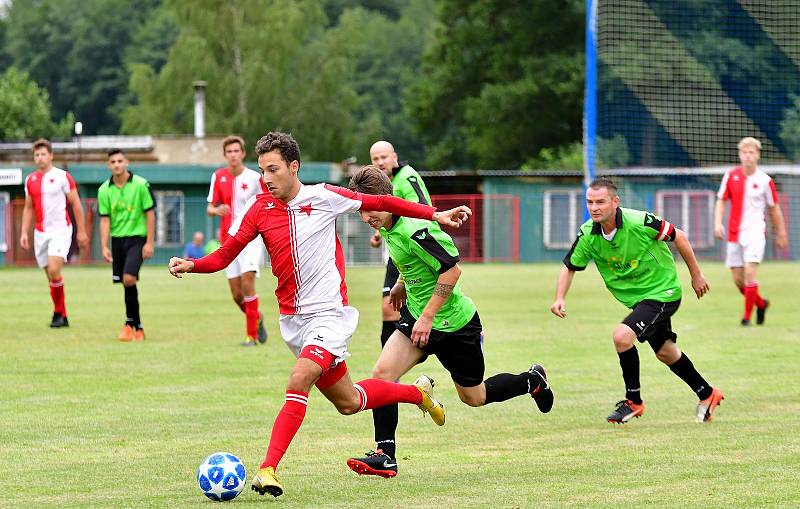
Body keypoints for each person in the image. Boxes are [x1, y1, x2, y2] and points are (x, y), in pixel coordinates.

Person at [168, 132, 473, 498]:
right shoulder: (260, 209)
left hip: (329, 315)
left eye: (274, 169)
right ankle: (417, 394)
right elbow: (226, 253)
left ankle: (268, 469)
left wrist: (434, 213)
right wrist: (193, 264)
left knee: (300, 379)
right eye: (263, 170)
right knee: (350, 402)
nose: (266, 178)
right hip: (293, 324)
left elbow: (380, 199)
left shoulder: (323, 196)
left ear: (294, 167)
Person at [346, 166, 553, 478]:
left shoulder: (417, 228)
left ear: (387, 199)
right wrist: (404, 282)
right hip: (418, 318)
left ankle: (532, 381)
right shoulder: (389, 225)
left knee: (474, 396)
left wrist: (428, 317)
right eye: (362, 210)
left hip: (455, 325)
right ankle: (385, 454)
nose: (366, 218)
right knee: (383, 374)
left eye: (370, 208)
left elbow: (452, 270)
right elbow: (414, 260)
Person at [550, 177, 724, 424]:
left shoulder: (639, 221)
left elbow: (680, 237)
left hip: (663, 293)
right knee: (666, 352)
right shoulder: (588, 233)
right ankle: (707, 394)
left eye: (600, 201)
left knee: (622, 336)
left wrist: (696, 275)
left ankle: (634, 402)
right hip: (640, 301)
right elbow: (570, 266)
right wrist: (559, 298)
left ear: (615, 201)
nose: (594, 207)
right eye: (590, 202)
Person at [713, 137, 788, 326]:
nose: (748, 156)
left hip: (755, 232)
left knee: (749, 275)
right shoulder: (730, 176)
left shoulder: (765, 180)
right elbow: (721, 200)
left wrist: (781, 233)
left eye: (752, 152)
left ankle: (746, 318)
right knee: (738, 280)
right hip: (733, 233)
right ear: (740, 155)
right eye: (745, 152)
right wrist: (717, 223)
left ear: (758, 155)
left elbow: (774, 208)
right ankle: (761, 304)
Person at [368, 140, 433, 350]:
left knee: (398, 307)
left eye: (384, 157)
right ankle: (390, 374)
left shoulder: (407, 176)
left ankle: (389, 373)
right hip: (398, 252)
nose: (380, 162)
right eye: (375, 159)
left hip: (414, 251)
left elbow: (422, 208)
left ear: (394, 157)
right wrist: (379, 234)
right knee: (391, 309)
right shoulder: (388, 183)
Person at [19, 138, 88, 328]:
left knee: (54, 269)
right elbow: (28, 208)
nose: (40, 158)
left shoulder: (62, 176)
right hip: (40, 233)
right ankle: (62, 315)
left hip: (61, 230)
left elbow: (76, 204)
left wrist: (81, 232)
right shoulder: (30, 179)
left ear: (51, 155)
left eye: (43, 154)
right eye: (37, 155)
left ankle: (58, 313)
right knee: (50, 276)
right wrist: (24, 232)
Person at [207, 135, 268, 346]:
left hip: (251, 238)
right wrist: (217, 210)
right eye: (229, 152)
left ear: (242, 153)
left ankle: (251, 336)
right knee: (236, 294)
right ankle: (257, 317)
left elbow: (268, 201)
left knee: (247, 281)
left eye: (236, 151)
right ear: (225, 155)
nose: (233, 155)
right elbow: (210, 207)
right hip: (228, 241)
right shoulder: (218, 176)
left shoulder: (254, 178)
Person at [97, 149, 155, 341]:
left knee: (129, 278)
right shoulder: (104, 190)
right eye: (112, 161)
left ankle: (128, 323)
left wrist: (149, 243)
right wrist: (104, 246)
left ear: (127, 162)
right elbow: (104, 220)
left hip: (137, 238)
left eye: (120, 161)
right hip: (117, 240)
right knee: (125, 282)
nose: (116, 164)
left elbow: (150, 213)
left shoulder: (140, 184)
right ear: (109, 165)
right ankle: (136, 326)